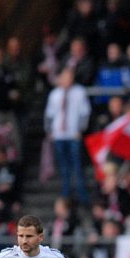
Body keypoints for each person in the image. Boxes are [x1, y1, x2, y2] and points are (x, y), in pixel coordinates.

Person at [44, 68, 92, 206]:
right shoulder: (54, 94)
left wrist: (81, 129)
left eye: (70, 77)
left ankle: (83, 198)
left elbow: (85, 113)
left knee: (77, 166)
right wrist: (49, 131)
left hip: (73, 134)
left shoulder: (79, 92)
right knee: (64, 168)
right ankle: (66, 198)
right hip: (59, 134)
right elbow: (49, 114)